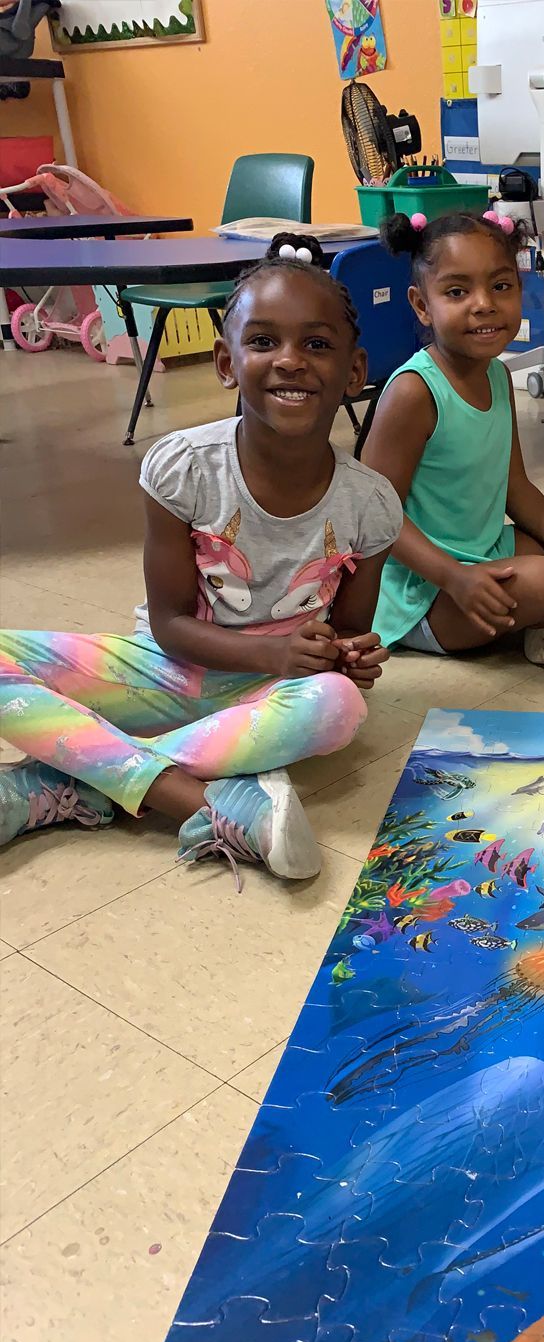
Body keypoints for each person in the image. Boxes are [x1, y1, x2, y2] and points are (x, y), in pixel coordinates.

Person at [0, 234, 402, 881]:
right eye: (263, 341)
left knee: (339, 707)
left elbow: (350, 632)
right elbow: (169, 624)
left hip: (273, 694)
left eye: (317, 344)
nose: (290, 360)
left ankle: (73, 780)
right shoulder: (182, 468)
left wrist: (348, 655)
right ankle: (196, 799)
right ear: (225, 362)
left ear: (354, 372)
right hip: (168, 669)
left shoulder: (372, 505)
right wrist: (273, 652)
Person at [360, 209, 544, 698]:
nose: (484, 305)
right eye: (457, 292)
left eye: (500, 287)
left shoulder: (497, 374)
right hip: (423, 592)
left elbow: (514, 484)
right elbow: (373, 514)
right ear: (422, 305)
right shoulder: (414, 391)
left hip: (484, 549)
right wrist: (456, 578)